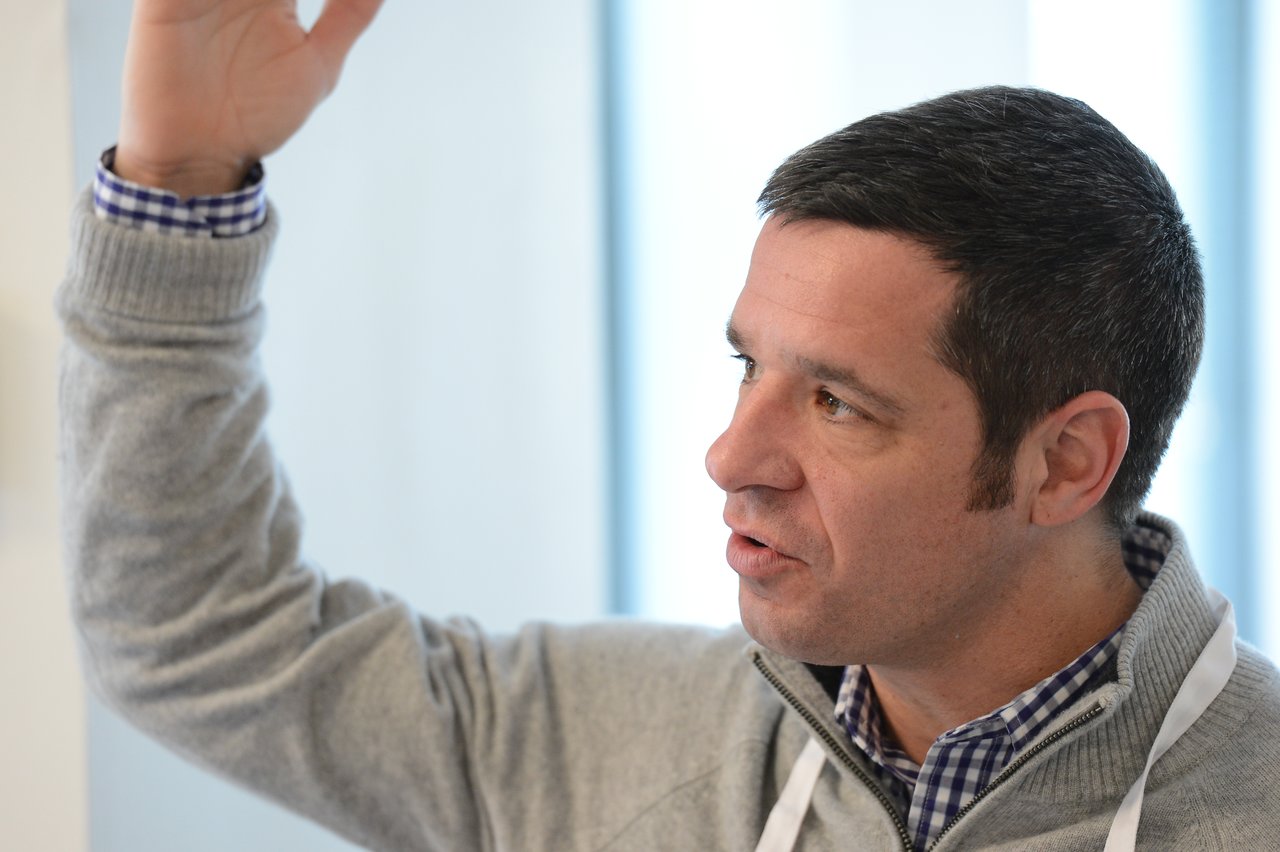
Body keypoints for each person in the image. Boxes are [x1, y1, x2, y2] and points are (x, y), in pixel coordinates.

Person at [59, 1, 1280, 850]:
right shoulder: (616, 744)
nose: (731, 459)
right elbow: (197, 637)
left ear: (1063, 463)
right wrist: (178, 183)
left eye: (837, 402)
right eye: (746, 365)